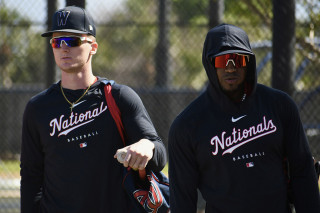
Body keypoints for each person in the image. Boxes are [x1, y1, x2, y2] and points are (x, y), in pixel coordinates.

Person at [20, 5, 167, 213]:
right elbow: (31, 178)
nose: (63, 47)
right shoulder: (38, 108)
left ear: (93, 47)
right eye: (56, 41)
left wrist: (147, 146)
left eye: (72, 40)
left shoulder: (119, 97)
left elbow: (160, 153)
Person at [168, 23, 320, 213]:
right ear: (209, 64)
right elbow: (182, 198)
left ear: (249, 62)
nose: (230, 68)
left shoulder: (280, 106)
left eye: (237, 59)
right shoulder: (187, 126)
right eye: (222, 61)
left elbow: (303, 171)